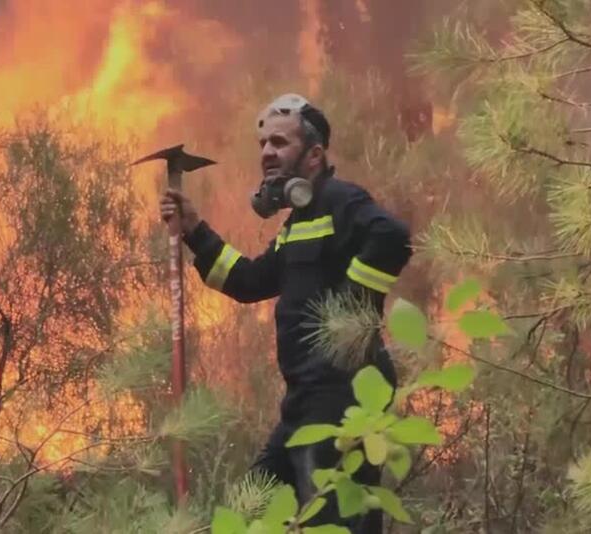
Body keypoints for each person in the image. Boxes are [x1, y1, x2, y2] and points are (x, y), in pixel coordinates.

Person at [159, 94, 412, 531]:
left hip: (343, 399)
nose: (266, 153)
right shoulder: (297, 224)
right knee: (247, 510)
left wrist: (351, 314)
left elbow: (392, 237)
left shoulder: (338, 200)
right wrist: (195, 231)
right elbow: (250, 282)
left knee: (333, 521)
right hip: (303, 402)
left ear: (313, 155)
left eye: (279, 142)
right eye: (262, 144)